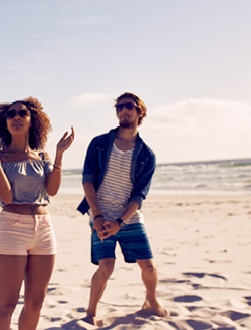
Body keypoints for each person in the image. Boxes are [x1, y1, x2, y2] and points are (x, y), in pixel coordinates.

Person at [0, 97, 74, 330]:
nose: (16, 117)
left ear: (33, 121)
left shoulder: (43, 157)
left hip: (44, 227)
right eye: (11, 114)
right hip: (12, 227)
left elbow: (52, 190)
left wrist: (59, 154)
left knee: (35, 302)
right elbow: (7, 197)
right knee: (7, 303)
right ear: (5, 122)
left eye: (22, 113)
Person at [75, 92, 166, 326]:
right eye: (119, 107)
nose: (123, 110)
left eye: (129, 106)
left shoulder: (147, 155)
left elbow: (139, 195)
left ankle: (151, 301)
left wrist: (121, 222)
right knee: (106, 267)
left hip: (130, 218)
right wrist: (97, 215)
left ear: (140, 112)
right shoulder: (99, 144)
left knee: (149, 266)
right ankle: (91, 312)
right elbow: (87, 180)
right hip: (100, 215)